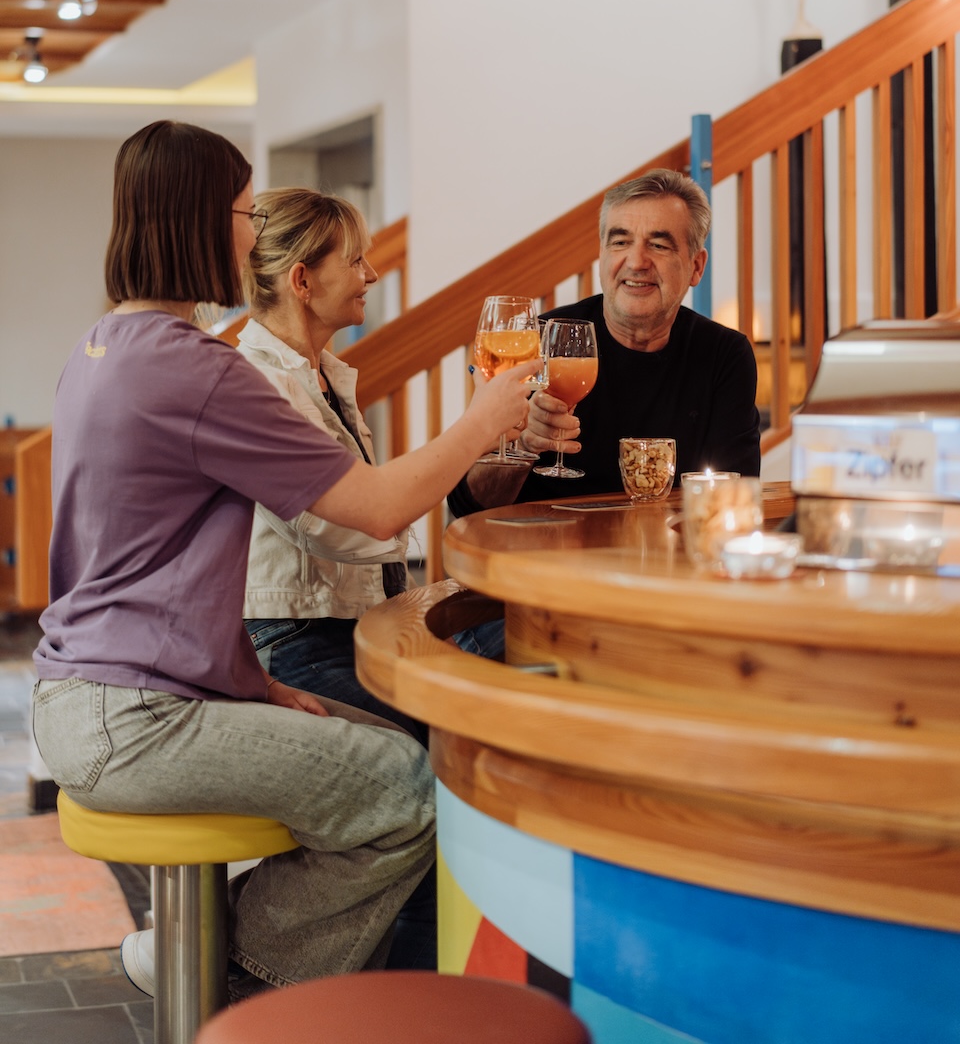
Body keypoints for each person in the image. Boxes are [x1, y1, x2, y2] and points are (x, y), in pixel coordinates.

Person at [31, 121, 535, 998]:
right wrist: (487, 418)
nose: (249, 233)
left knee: (374, 758)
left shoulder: (97, 350)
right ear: (199, 219)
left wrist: (258, 686)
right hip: (138, 719)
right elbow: (373, 509)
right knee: (409, 789)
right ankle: (239, 979)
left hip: (77, 698)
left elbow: (142, 570)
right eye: (241, 210)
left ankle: (215, 966)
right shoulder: (200, 371)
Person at [449, 168, 760, 515]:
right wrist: (524, 446)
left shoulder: (724, 354)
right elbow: (468, 504)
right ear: (602, 256)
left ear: (696, 267)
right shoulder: (537, 340)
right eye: (620, 241)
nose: (637, 261)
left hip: (664, 558)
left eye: (658, 245)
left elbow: (736, 498)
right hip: (538, 560)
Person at [236, 188, 427, 745]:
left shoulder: (323, 377)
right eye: (355, 261)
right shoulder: (259, 383)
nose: (371, 274)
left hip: (347, 626)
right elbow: (340, 528)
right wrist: (471, 439)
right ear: (302, 281)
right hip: (291, 640)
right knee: (435, 745)